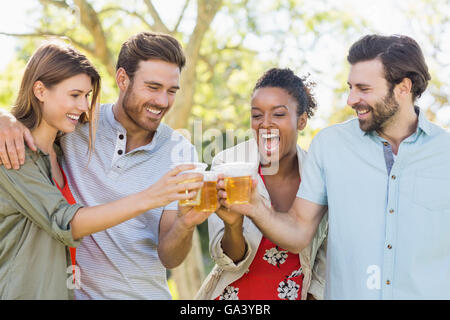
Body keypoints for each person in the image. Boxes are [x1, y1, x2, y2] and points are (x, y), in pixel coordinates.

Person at [217, 34, 450, 299]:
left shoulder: (446, 153)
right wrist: (256, 208)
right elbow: (298, 231)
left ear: (403, 88)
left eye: (363, 89)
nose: (351, 99)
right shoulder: (330, 145)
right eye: (350, 87)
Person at [0, 32, 211, 300]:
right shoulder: (75, 128)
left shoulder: (180, 151)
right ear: (123, 79)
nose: (163, 101)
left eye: (171, 91)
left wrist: (185, 223)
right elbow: (65, 221)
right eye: (153, 87)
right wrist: (4, 117)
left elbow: (170, 258)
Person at [196, 68, 328, 300]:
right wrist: (233, 225)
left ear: (302, 120)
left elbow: (325, 261)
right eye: (257, 115)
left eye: (278, 114)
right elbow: (229, 262)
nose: (265, 124)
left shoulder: (319, 176)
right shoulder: (228, 164)